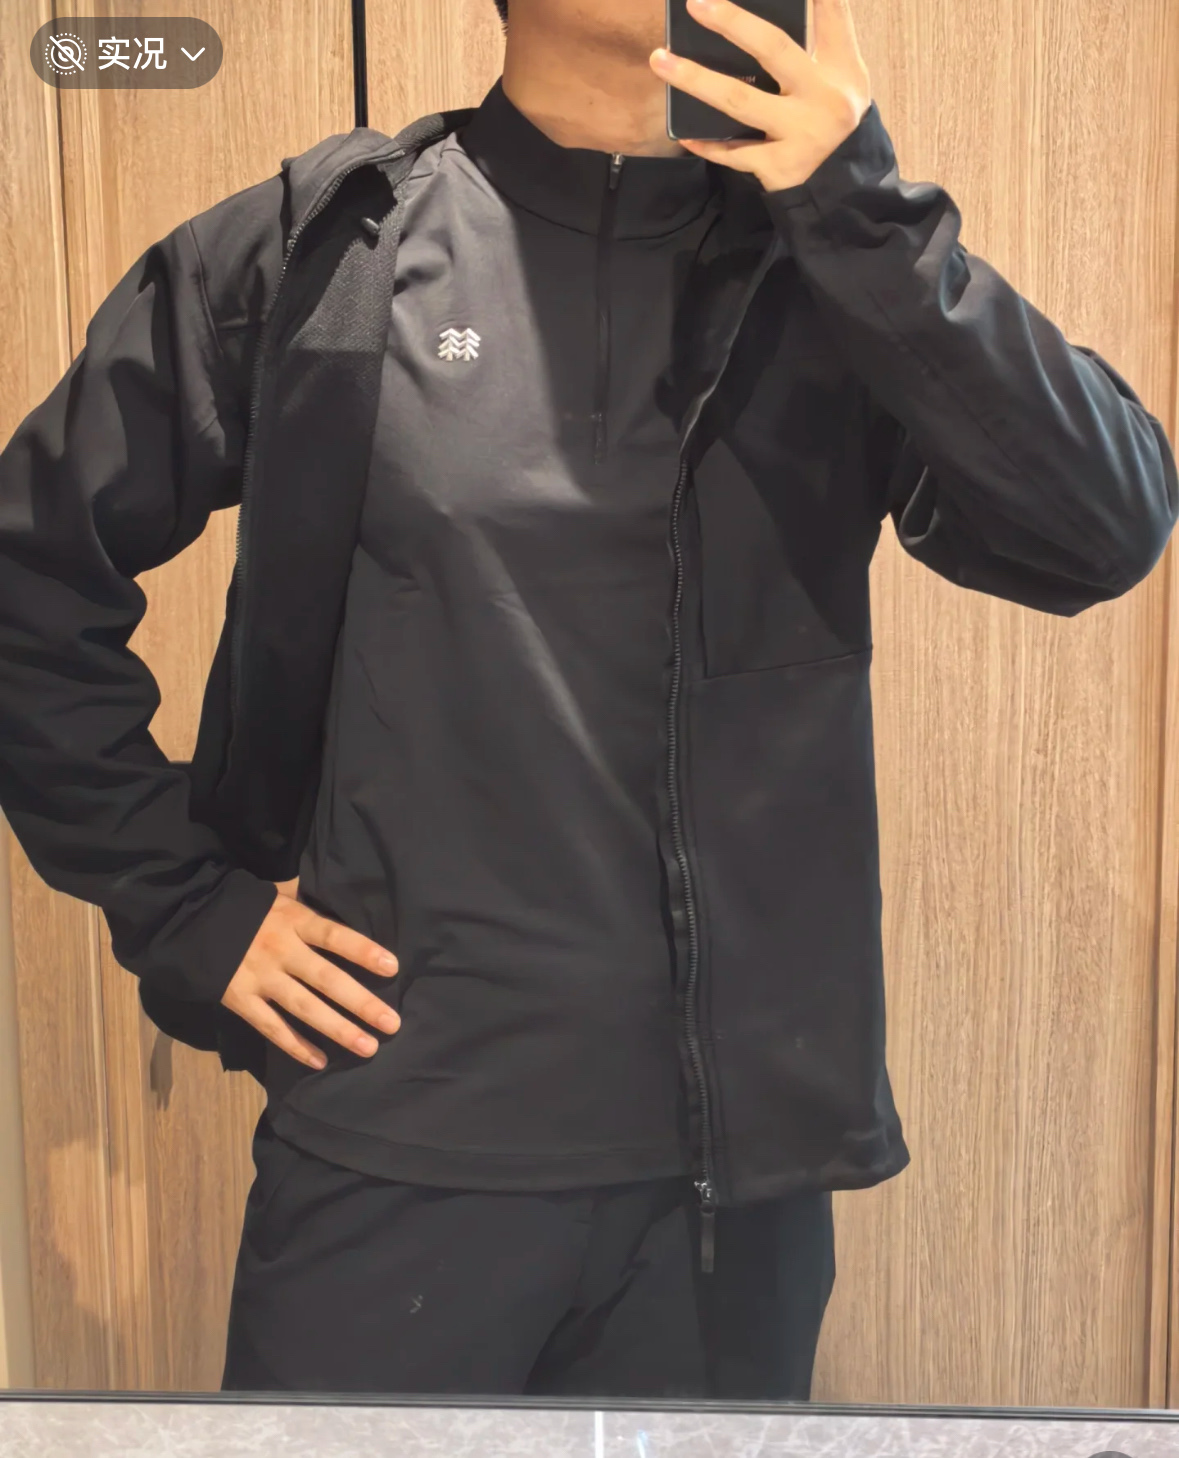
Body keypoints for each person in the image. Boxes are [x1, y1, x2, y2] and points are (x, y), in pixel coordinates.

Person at [0, 0, 1175, 1400]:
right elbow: (27, 580)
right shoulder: (325, 258)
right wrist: (190, 905)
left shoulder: (829, 277)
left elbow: (1104, 528)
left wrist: (863, 209)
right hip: (391, 1157)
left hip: (726, 1203)